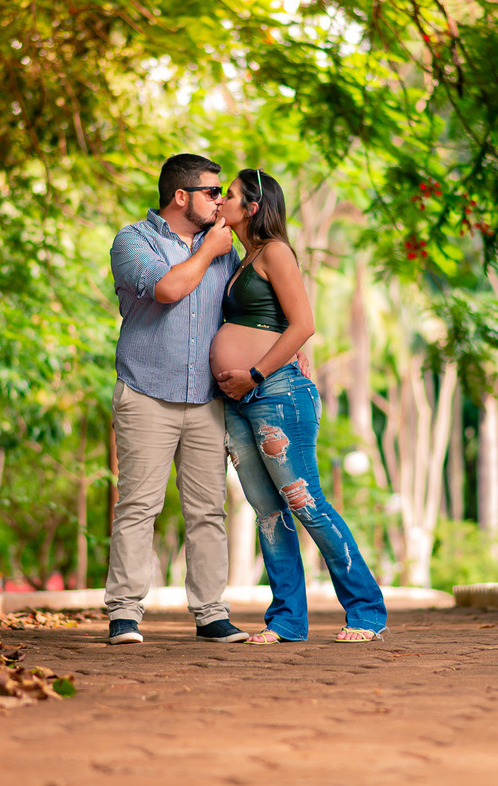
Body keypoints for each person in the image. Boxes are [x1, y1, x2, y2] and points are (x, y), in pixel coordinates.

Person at [212, 169, 387, 644]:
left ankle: (367, 611)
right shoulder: (241, 260)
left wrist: (255, 372)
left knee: (305, 502)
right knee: (268, 511)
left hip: (277, 393)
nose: (221, 200)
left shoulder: (275, 252)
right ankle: (287, 620)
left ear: (252, 207)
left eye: (228, 195)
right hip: (240, 402)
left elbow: (302, 324)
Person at [105, 153, 250, 645]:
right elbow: (168, 289)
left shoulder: (225, 245)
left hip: (207, 398)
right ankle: (124, 614)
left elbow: (257, 294)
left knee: (208, 511)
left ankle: (211, 614)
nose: (220, 201)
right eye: (213, 192)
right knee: (139, 506)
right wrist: (209, 250)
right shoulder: (133, 241)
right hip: (147, 392)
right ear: (181, 196)